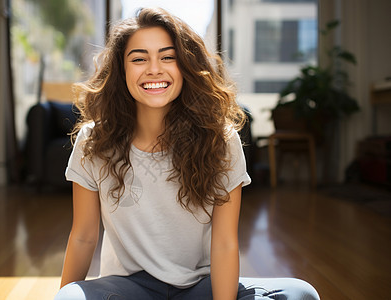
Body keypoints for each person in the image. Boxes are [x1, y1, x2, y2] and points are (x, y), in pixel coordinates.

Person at [55, 7, 319, 300]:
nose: (154, 69)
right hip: (129, 288)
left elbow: (224, 244)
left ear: (186, 67)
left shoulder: (220, 139)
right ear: (122, 70)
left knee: (301, 294)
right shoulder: (94, 139)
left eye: (168, 57)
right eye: (139, 59)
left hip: (200, 286)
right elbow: (83, 236)